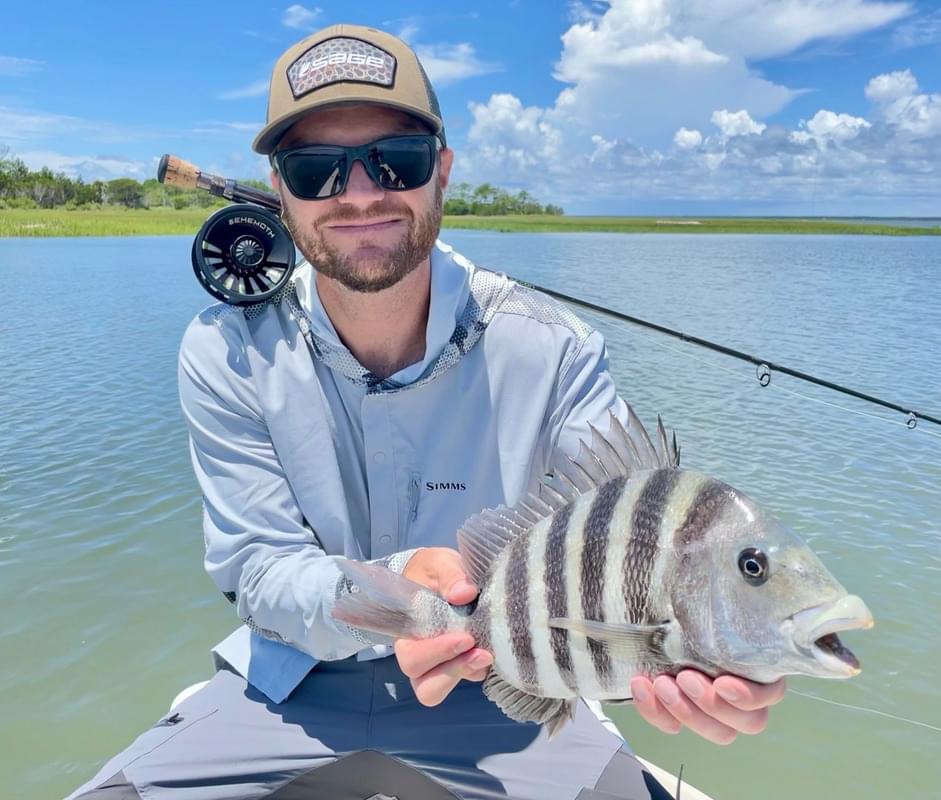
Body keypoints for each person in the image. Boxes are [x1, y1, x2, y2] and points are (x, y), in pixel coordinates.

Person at [67, 23, 784, 800]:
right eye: (316, 171)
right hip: (290, 686)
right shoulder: (225, 351)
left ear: (439, 170)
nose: (361, 193)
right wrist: (402, 586)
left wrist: (712, 645)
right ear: (280, 191)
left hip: (507, 686)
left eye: (395, 160)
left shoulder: (557, 349)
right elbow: (258, 568)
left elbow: (634, 533)